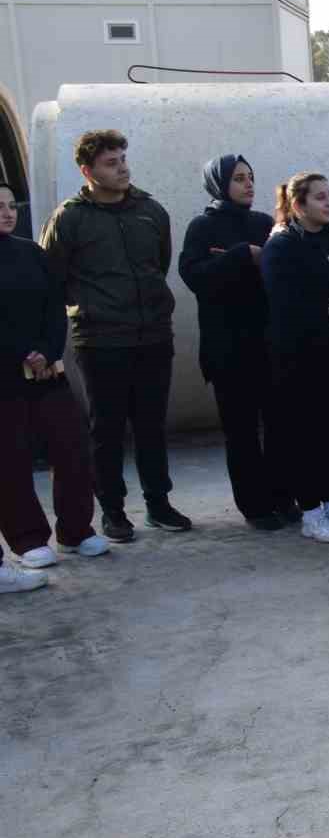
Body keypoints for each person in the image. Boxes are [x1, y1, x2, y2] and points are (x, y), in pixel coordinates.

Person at [40, 129, 189, 541]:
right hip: (101, 340)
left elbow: (159, 264)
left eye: (123, 158)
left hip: (154, 336)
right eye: (111, 162)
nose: (122, 168)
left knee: (151, 425)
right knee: (106, 428)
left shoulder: (151, 212)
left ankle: (158, 503)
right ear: (88, 171)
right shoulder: (69, 218)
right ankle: (113, 511)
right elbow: (50, 278)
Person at [1, 181, 109, 586]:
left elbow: (53, 306)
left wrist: (46, 351)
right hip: (5, 376)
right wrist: (20, 355)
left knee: (72, 447)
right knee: (10, 461)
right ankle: (28, 540)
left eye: (12, 205)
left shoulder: (32, 253)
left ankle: (76, 530)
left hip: (46, 370)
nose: (8, 213)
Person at [178, 154, 292, 530]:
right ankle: (255, 506)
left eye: (251, 177)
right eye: (240, 178)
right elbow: (195, 276)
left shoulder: (263, 223)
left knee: (279, 427)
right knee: (241, 432)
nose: (249, 184)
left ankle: (283, 497)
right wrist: (243, 256)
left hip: (268, 343)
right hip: (228, 349)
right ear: (219, 183)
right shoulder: (202, 227)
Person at [260, 172, 329, 544]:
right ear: (298, 206)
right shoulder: (281, 247)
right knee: (305, 434)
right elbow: (290, 308)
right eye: (319, 197)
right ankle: (311, 510)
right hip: (296, 357)